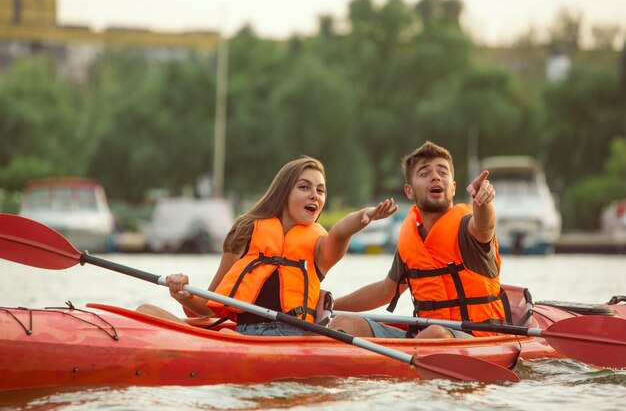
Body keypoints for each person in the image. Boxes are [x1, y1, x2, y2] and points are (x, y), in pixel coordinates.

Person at [138, 156, 397, 336]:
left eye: (321, 190)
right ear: (284, 192)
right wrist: (182, 293)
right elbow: (209, 304)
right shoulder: (245, 234)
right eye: (304, 187)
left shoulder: (320, 247)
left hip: (289, 338)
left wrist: (366, 215)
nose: (314, 196)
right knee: (144, 311)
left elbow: (340, 231)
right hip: (242, 335)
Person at [328, 141, 507, 339]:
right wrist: (330, 305)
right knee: (342, 323)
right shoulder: (411, 241)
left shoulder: (468, 227)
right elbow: (384, 291)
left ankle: (397, 366)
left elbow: (485, 226)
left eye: (442, 172)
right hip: (425, 339)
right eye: (424, 173)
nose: (435, 177)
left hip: (476, 339)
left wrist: (483, 203)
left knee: (436, 333)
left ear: (453, 187)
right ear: (409, 191)